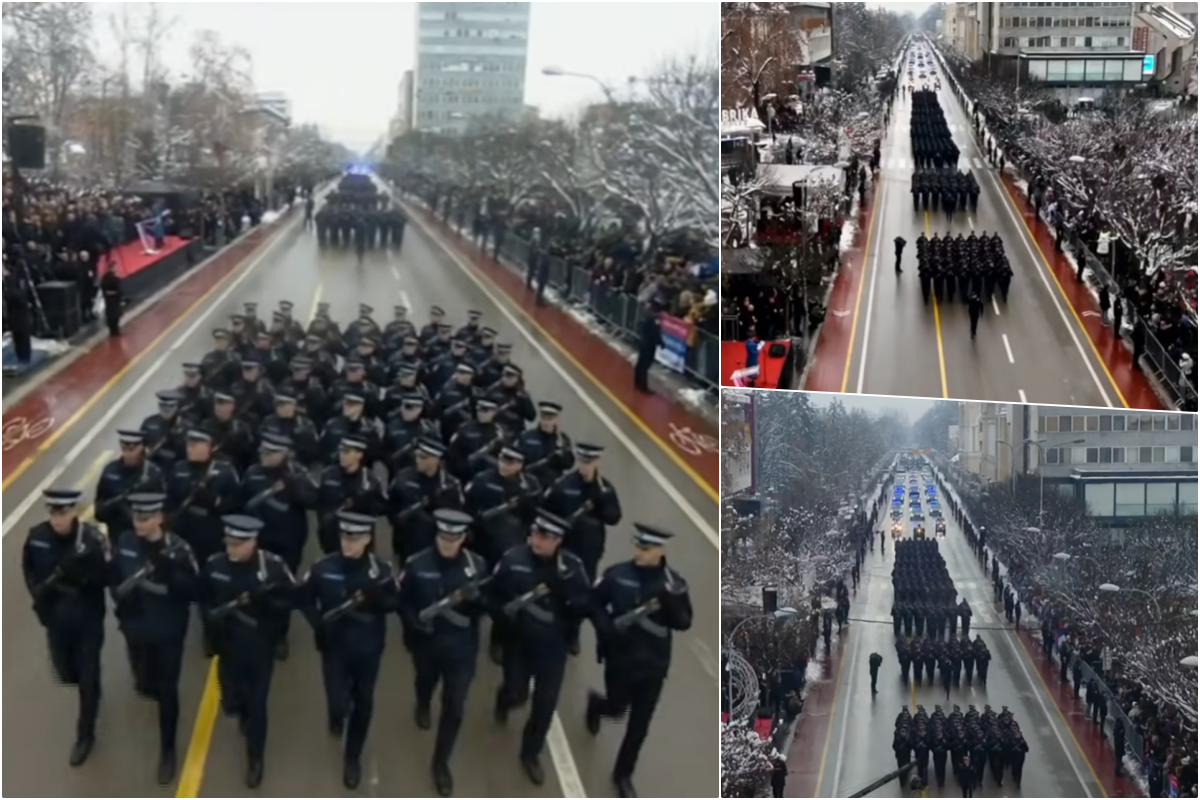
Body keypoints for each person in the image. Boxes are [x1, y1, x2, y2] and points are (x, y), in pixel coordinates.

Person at [587, 522, 693, 798]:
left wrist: (672, 605)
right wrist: (605, 627)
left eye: (647, 548)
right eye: (639, 546)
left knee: (639, 726)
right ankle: (597, 705)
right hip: (620, 660)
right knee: (616, 707)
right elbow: (594, 603)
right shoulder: (617, 575)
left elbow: (684, 622)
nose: (640, 552)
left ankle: (623, 774)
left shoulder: (673, 583)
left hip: (653, 666)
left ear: (660, 551)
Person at [488, 511, 592, 786]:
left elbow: (585, 605)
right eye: (535, 534)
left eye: (544, 537)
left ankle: (530, 753)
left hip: (552, 647)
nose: (536, 540)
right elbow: (494, 594)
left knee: (545, 703)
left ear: (558, 541)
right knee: (517, 692)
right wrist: (503, 622)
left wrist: (567, 596)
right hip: (519, 642)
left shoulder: (572, 568)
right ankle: (504, 699)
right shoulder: (513, 560)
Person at [299, 511, 397, 789]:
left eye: (354, 539)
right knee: (338, 702)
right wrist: (317, 623)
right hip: (335, 648)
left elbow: (397, 602)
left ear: (367, 539)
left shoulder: (381, 572)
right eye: (344, 537)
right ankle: (336, 715)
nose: (348, 543)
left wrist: (378, 601)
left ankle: (352, 757)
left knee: (363, 703)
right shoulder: (322, 567)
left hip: (368, 648)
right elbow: (303, 598)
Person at [199, 515, 297, 788]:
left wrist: (270, 607)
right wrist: (209, 630)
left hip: (258, 648)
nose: (231, 549)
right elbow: (203, 596)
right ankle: (240, 711)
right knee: (231, 703)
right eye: (229, 543)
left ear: (253, 542)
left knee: (258, 706)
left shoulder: (273, 567)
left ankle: (255, 758)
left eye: (238, 544)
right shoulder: (214, 565)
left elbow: (291, 600)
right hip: (227, 646)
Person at [397, 509, 490, 796]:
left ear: (463, 538)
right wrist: (413, 625)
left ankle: (440, 763)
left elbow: (486, 607)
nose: (448, 543)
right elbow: (404, 603)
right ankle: (422, 701)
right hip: (428, 644)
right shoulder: (416, 564)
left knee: (455, 705)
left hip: (461, 648)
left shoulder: (477, 566)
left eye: (454, 538)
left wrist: (478, 601)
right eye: (443, 537)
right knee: (425, 681)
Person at [109, 492, 199, 784]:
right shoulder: (124, 542)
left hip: (168, 631)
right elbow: (114, 576)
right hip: (136, 629)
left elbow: (195, 591)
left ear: (159, 518)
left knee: (167, 691)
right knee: (145, 683)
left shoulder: (180, 550)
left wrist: (171, 575)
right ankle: (150, 688)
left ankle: (168, 750)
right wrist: (121, 604)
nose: (140, 522)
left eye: (146, 517)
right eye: (136, 516)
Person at [22, 488, 110, 767]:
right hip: (57, 621)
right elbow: (30, 573)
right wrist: (44, 611)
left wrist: (86, 573)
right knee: (66, 672)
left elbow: (108, 576)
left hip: (87, 621)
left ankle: (85, 734)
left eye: (63, 512)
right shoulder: (37, 538)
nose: (57, 519)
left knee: (87, 676)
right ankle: (90, 688)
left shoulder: (92, 540)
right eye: (53, 513)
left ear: (74, 511)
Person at [633, 300, 663, 394]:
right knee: (645, 365)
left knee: (640, 364)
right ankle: (643, 386)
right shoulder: (653, 320)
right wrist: (661, 342)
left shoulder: (644, 317)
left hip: (643, 343)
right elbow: (655, 333)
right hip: (649, 344)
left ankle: (637, 382)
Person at [100, 265, 123, 336]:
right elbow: (118, 287)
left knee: (110, 314)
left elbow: (102, 287)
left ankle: (112, 329)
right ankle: (115, 329)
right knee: (115, 314)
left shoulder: (105, 277)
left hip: (108, 298)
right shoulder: (113, 278)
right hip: (114, 298)